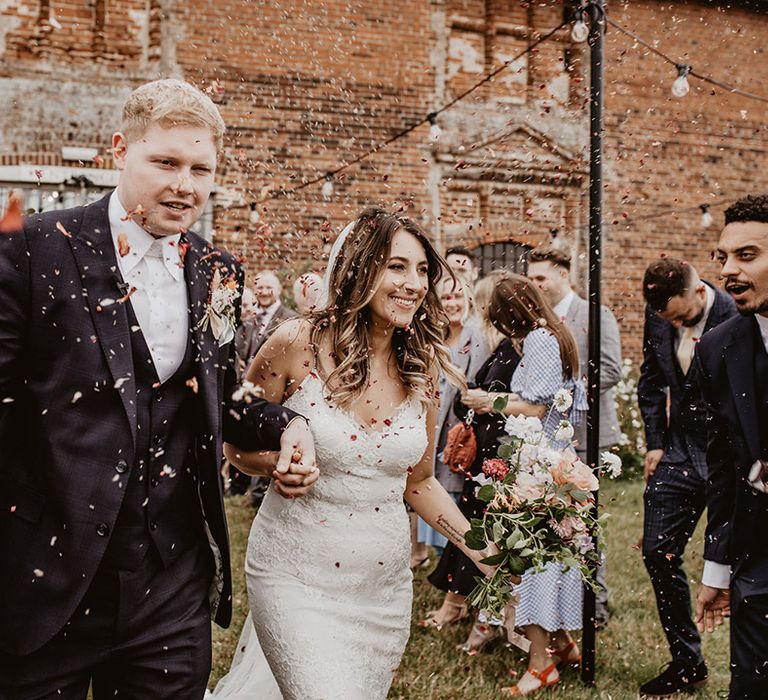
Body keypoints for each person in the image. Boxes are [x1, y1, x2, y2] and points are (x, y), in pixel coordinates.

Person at [0, 79, 317, 699]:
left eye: (201, 169)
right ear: (120, 149)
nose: (185, 185)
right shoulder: (34, 250)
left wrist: (286, 425)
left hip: (168, 586)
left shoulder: (218, 272)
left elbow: (222, 393)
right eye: (166, 162)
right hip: (46, 575)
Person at [210, 208, 497, 699]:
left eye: (423, 270)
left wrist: (481, 550)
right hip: (294, 574)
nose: (415, 283)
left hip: (381, 587)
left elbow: (419, 482)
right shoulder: (295, 343)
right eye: (397, 267)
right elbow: (234, 441)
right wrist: (273, 466)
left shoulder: (421, 365)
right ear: (358, 268)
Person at [479, 274, 588, 696]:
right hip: (547, 460)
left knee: (532, 562)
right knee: (550, 556)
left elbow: (539, 405)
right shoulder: (551, 335)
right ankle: (562, 645)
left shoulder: (541, 340)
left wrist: (488, 400)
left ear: (510, 312)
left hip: (539, 467)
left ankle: (541, 663)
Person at [637, 256, 736, 697]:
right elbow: (650, 380)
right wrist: (655, 442)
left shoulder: (738, 314)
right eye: (667, 320)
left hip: (732, 455)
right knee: (659, 553)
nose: (672, 325)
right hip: (679, 449)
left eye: (679, 317)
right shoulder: (658, 313)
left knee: (747, 565)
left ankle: (752, 668)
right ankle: (687, 661)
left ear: (698, 292)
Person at [694, 194, 768, 699]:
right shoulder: (719, 347)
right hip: (758, 563)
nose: (729, 271)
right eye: (724, 257)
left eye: (748, 255)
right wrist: (718, 571)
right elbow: (721, 468)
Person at [527, 244, 623, 627]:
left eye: (540, 279)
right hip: (551, 439)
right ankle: (562, 602)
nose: (534, 286)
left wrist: (563, 388)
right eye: (530, 279)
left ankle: (594, 602)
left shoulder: (595, 315)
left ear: (563, 275)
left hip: (589, 432)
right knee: (559, 522)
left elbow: (612, 370)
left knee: (588, 522)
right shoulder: (539, 322)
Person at [424, 272, 521, 641]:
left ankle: (480, 614)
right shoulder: (501, 346)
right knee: (471, 529)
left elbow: (520, 400)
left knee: (481, 532)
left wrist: (479, 399)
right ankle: (461, 605)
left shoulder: (502, 346)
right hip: (483, 450)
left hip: (497, 452)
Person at [412, 275, 489, 567]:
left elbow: (476, 387)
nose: (452, 303)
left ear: (468, 300)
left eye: (458, 297)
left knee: (454, 499)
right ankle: (443, 567)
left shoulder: (476, 338)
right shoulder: (436, 338)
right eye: (446, 298)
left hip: (459, 432)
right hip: (431, 426)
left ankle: (457, 571)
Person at [248, 270, 297, 359]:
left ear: (279, 290)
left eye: (269, 287)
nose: (265, 292)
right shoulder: (248, 319)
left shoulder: (291, 319)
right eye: (260, 288)